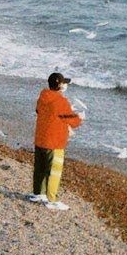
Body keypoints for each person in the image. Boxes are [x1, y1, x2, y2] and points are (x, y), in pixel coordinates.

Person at [31, 71, 82, 209]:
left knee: (40, 169)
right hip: (54, 141)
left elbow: (38, 111)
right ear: (60, 85)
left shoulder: (42, 97)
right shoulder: (61, 101)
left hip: (40, 138)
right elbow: (74, 122)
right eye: (64, 83)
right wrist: (80, 117)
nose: (66, 85)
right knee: (54, 171)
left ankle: (37, 193)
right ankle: (52, 200)